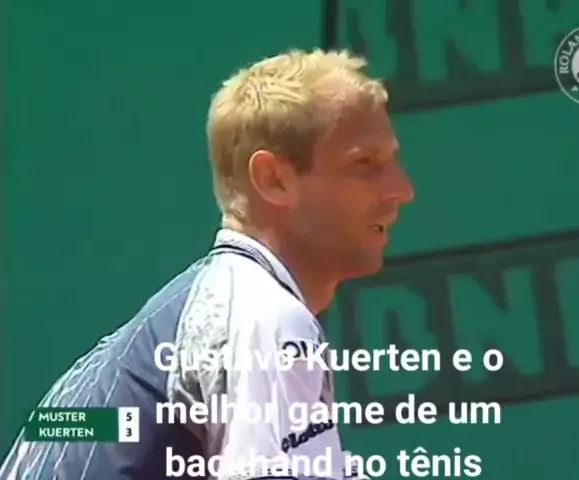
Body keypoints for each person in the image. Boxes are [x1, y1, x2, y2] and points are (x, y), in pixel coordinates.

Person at [0, 48, 414, 479]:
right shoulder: (265, 318)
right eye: (365, 164)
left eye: (391, 162)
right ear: (273, 179)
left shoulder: (195, 317)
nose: (402, 190)